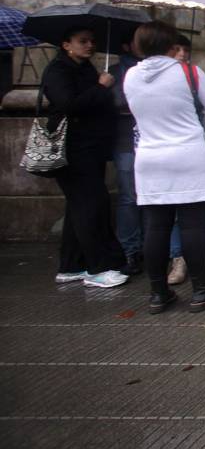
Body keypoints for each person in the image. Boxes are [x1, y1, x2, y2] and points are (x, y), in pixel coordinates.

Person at [124, 21, 205, 313]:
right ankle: (201, 289)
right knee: (192, 225)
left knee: (155, 227)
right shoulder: (189, 72)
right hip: (187, 155)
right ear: (172, 45)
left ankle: (158, 293)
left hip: (148, 158)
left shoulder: (130, 75)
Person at [42, 27, 128, 288]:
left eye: (92, 41)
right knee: (91, 205)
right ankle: (99, 266)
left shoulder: (85, 68)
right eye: (83, 41)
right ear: (66, 44)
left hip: (90, 147)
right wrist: (101, 88)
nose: (90, 45)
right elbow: (69, 104)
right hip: (73, 149)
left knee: (79, 206)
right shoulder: (58, 71)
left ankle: (71, 265)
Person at [166, 34, 205, 284]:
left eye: (185, 49)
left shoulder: (196, 75)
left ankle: (203, 253)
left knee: (202, 204)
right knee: (172, 209)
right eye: (175, 49)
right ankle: (178, 257)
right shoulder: (147, 77)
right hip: (165, 151)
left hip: (195, 145)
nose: (181, 54)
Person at [109, 39, 144, 276]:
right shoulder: (115, 73)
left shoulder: (152, 70)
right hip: (125, 142)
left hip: (150, 141)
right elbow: (115, 103)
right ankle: (129, 249)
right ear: (126, 46)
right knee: (130, 197)